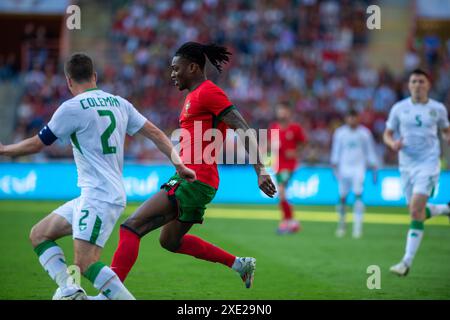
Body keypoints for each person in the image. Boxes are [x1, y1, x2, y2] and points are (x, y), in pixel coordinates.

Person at [0, 53, 196, 299]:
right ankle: (70, 290)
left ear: (69, 81)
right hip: (95, 195)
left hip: (99, 196)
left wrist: (5, 149)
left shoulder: (70, 108)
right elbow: (156, 133)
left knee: (86, 264)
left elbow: (38, 144)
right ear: (94, 76)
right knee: (39, 234)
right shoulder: (119, 103)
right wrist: (178, 164)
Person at [102, 42, 276, 296]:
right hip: (189, 176)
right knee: (169, 241)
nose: (172, 74)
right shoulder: (192, 97)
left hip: (197, 178)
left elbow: (242, 126)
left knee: (131, 227)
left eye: (176, 68)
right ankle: (240, 264)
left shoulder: (209, 92)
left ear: (193, 67)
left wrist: (260, 169)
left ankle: (110, 294)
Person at [384, 69, 450, 276]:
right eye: (414, 81)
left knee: (415, 210)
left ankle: (406, 262)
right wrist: (392, 144)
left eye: (422, 81)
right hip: (406, 166)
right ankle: (444, 209)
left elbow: (446, 130)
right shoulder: (399, 108)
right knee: (416, 212)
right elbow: (387, 134)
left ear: (428, 85)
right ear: (409, 85)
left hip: (429, 164)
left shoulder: (437, 109)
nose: (417, 85)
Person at [330, 109, 378, 238]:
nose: (352, 120)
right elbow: (336, 151)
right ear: (346, 118)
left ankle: (357, 228)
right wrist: (334, 164)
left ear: (358, 118)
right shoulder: (340, 133)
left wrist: (374, 166)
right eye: (349, 117)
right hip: (343, 168)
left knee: (358, 195)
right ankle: (342, 224)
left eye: (354, 117)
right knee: (342, 197)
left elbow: (370, 151)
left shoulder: (364, 133)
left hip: (358, 168)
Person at [268, 103, 307, 234]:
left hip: (289, 165)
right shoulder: (274, 128)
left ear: (289, 112)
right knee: (281, 194)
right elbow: (269, 146)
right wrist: (271, 147)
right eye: (280, 111)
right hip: (278, 165)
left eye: (284, 111)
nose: (282, 113)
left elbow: (303, 144)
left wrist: (296, 152)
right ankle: (291, 222)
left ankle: (287, 222)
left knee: (282, 190)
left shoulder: (295, 128)